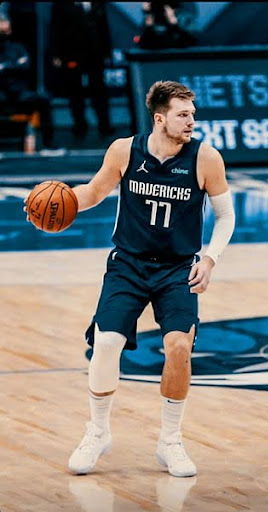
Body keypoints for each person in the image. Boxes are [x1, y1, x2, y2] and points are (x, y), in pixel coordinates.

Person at [25, 80, 235, 477]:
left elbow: (226, 216)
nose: (193, 120)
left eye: (192, 113)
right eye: (183, 114)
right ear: (160, 118)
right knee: (105, 343)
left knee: (178, 347)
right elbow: (91, 193)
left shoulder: (206, 159)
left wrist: (210, 259)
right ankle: (97, 431)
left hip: (177, 267)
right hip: (129, 263)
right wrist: (52, 203)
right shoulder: (125, 150)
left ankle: (170, 440)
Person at [50, 2, 113, 137]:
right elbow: (56, 28)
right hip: (72, 54)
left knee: (99, 89)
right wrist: (56, 53)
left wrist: (107, 52)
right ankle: (80, 125)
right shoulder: (61, 5)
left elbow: (104, 28)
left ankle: (105, 125)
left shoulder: (98, 4)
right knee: (75, 91)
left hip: (96, 54)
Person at [0, 11, 56, 151]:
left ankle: (48, 144)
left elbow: (25, 64)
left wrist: (5, 67)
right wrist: (13, 65)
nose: (5, 26)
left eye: (6, 22)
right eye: (2, 23)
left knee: (43, 100)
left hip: (18, 93)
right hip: (1, 93)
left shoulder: (17, 47)